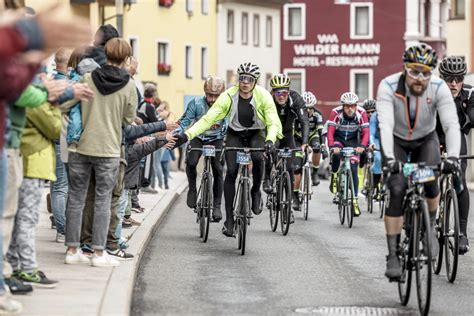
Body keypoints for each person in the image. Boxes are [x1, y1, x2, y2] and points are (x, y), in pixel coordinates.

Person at [376, 43, 461, 280]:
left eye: (425, 72)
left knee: (433, 179)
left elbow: (451, 124)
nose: (419, 78)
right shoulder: (388, 86)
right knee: (396, 188)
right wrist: (391, 160)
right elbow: (385, 125)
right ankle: (393, 255)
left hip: (426, 139)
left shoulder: (439, 87)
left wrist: (453, 157)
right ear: (405, 69)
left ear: (431, 72)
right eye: (414, 71)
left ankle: (430, 227)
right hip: (397, 141)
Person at [173, 62, 282, 237]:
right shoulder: (228, 96)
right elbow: (208, 119)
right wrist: (187, 135)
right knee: (230, 171)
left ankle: (255, 191)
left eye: (249, 79)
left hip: (256, 133)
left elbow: (273, 121)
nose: (245, 82)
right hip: (235, 133)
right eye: (242, 78)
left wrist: (270, 139)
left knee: (258, 157)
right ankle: (229, 221)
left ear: (255, 81)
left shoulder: (263, 96)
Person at [62, 38, 137, 267]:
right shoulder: (130, 86)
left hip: (81, 146)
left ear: (105, 55)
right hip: (109, 149)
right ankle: (97, 253)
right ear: (125, 59)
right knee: (103, 201)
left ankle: (72, 250)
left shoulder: (87, 78)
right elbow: (128, 119)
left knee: (77, 198)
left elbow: (65, 104)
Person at [436, 55, 474, 254]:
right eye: (449, 78)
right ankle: (427, 220)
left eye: (458, 79)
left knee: (459, 178)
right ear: (442, 77)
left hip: (456, 137)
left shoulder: (469, 93)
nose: (454, 84)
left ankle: (462, 234)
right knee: (429, 176)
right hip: (434, 135)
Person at [176, 76, 227, 222]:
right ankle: (192, 189)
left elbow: (229, 123)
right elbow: (185, 121)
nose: (212, 99)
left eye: (216, 96)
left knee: (217, 168)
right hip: (198, 136)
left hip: (217, 138)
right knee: (191, 163)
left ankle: (216, 205)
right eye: (209, 95)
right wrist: (176, 133)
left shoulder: (226, 105)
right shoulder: (196, 103)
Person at [262, 74, 309, 220]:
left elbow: (304, 121)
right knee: (270, 154)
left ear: (289, 91)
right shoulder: (267, 100)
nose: (281, 96)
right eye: (277, 92)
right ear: (272, 93)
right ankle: (267, 179)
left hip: (288, 134)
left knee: (290, 168)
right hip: (272, 132)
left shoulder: (295, 99)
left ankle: (288, 207)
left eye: (284, 92)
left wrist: (305, 142)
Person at [327, 92, 369, 216]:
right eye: (347, 106)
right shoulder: (335, 113)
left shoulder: (361, 113)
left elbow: (366, 132)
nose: (350, 109)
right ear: (342, 106)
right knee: (335, 155)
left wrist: (362, 146)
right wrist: (331, 146)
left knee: (354, 168)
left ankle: (355, 201)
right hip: (338, 139)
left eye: (352, 106)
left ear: (356, 105)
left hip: (353, 141)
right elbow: (330, 132)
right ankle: (334, 176)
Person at [295, 91, 324, 187]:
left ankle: (315, 173)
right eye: (305, 108)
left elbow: (320, 131)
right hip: (298, 137)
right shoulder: (296, 114)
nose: (307, 111)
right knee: (297, 164)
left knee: (317, 147)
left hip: (312, 135)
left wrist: (323, 144)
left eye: (310, 108)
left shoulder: (317, 114)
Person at [364, 99, 383, 198]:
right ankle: (374, 185)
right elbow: (371, 132)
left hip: (388, 138)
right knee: (378, 158)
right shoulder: (375, 116)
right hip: (376, 139)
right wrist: (371, 143)